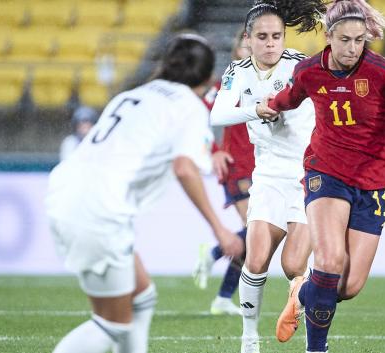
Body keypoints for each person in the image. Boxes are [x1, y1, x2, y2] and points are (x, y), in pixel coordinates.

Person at [256, 1, 385, 352]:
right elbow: (291, 97)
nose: (353, 48)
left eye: (359, 40)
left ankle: (302, 292)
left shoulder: (382, 69)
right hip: (327, 172)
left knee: (348, 286)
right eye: (345, 40)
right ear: (328, 37)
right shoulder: (310, 71)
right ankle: (316, 348)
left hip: (376, 179)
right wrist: (272, 105)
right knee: (330, 259)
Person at [45, 34, 244, 353]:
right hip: (99, 207)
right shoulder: (188, 106)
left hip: (66, 190)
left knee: (142, 297)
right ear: (208, 78)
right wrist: (220, 229)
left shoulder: (134, 94)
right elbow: (184, 168)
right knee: (110, 325)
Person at [210, 1, 325, 351]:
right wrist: (255, 110)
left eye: (277, 36)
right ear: (248, 39)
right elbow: (218, 115)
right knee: (256, 258)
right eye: (262, 36)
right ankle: (249, 338)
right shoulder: (238, 71)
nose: (271, 43)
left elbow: (338, 88)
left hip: (309, 176)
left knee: (293, 265)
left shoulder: (301, 67)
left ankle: (301, 303)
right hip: (269, 176)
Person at [192, 28, 254, 316]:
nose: (251, 48)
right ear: (237, 50)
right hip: (238, 167)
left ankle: (222, 298)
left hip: (265, 167)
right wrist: (213, 148)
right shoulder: (230, 82)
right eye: (245, 44)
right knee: (256, 231)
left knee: (258, 238)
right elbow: (197, 114)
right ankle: (215, 254)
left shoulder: (274, 82)